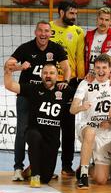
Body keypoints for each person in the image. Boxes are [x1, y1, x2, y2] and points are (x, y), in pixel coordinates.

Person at [4, 20, 70, 181]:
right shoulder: (25, 48)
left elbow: (67, 68)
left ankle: (40, 167)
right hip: (27, 94)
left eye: (46, 31)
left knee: (47, 132)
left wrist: (65, 82)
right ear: (35, 32)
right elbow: (8, 65)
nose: (43, 34)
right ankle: (18, 168)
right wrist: (20, 67)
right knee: (22, 131)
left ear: (50, 33)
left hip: (46, 94)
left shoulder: (56, 48)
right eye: (40, 30)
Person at [4, 63, 73, 187]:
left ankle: (32, 169)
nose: (48, 76)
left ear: (57, 76)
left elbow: (83, 94)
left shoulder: (64, 90)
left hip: (52, 139)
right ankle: (34, 175)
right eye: (45, 73)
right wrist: (8, 71)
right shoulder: (34, 88)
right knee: (33, 136)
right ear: (41, 75)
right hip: (34, 132)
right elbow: (10, 85)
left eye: (51, 73)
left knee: (46, 179)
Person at [70, 54, 111, 189]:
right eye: (98, 68)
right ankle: (83, 175)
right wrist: (82, 106)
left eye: (104, 68)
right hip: (86, 127)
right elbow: (72, 109)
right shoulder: (86, 83)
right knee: (90, 132)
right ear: (93, 68)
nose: (101, 71)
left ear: (110, 69)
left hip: (105, 131)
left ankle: (90, 167)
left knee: (101, 180)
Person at [50, 0, 85, 177]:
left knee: (68, 127)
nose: (74, 17)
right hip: (48, 83)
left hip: (69, 84)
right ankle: (43, 166)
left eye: (76, 14)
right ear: (61, 12)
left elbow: (79, 59)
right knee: (48, 127)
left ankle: (66, 167)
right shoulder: (47, 29)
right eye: (71, 14)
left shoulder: (78, 32)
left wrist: (79, 83)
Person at [84, 7, 111, 77]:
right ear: (97, 19)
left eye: (106, 20)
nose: (103, 22)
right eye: (101, 19)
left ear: (110, 22)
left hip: (107, 78)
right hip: (90, 76)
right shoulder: (88, 35)